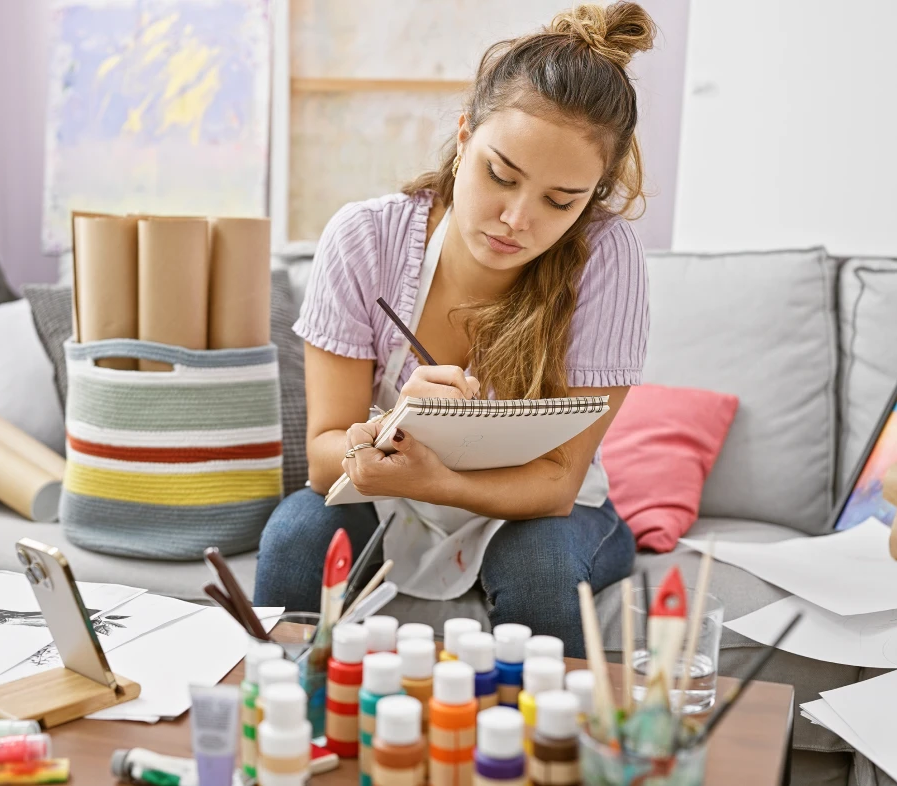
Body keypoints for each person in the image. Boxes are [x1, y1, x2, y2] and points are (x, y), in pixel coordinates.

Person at [254, 2, 654, 656]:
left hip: (537, 509)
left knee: (539, 568)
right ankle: (286, 727)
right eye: (501, 174)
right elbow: (327, 457)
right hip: (389, 495)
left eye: (561, 201)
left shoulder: (606, 258)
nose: (517, 220)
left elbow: (556, 485)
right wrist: (391, 432)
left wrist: (433, 478)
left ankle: (542, 752)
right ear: (465, 135)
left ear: (592, 197)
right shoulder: (366, 239)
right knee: (298, 535)